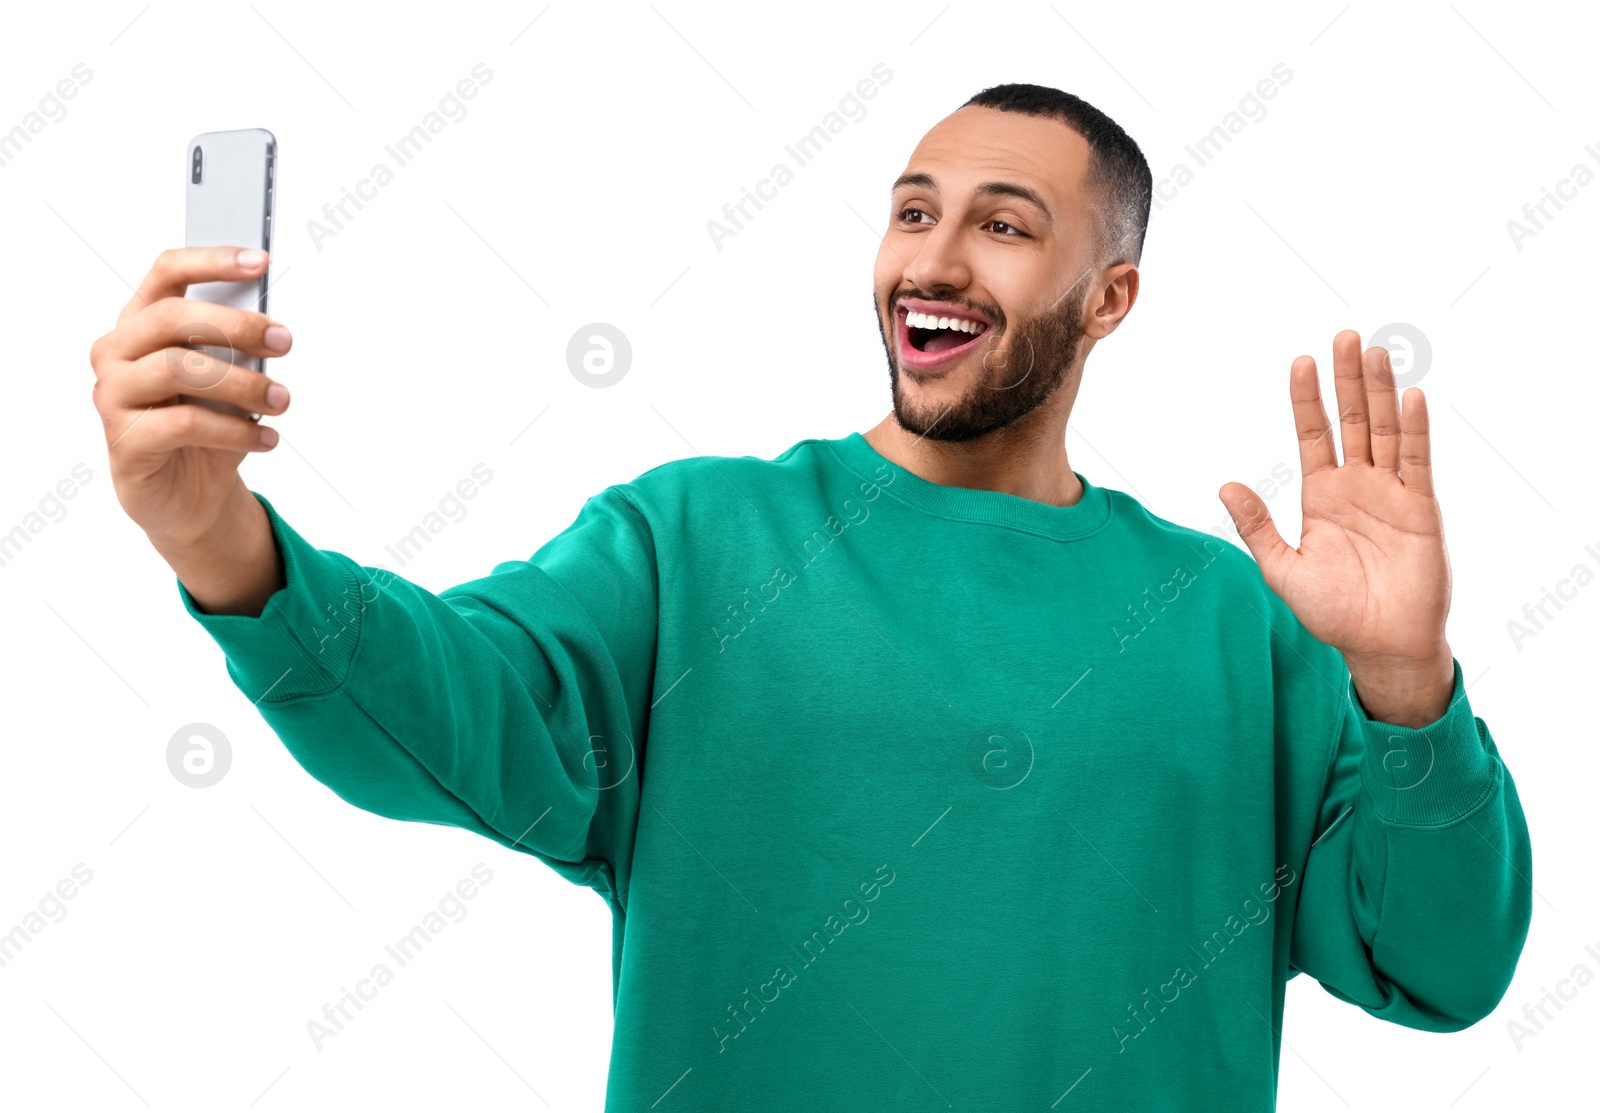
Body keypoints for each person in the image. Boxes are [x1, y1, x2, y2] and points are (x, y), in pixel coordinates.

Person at [89, 83, 1531, 1111]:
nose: (934, 259)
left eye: (1005, 225)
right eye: (914, 210)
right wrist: (218, 533)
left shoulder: (1234, 621)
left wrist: (1410, 686)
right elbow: (448, 703)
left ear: (1110, 300)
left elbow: (1440, 965)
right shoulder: (695, 540)